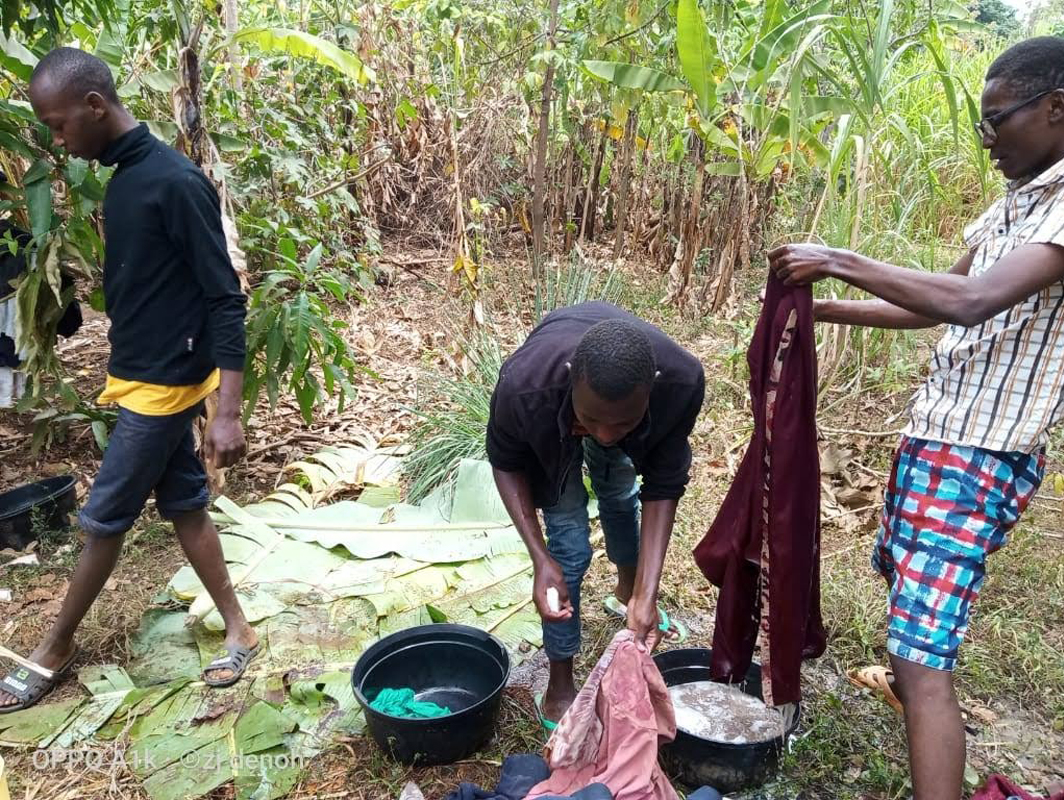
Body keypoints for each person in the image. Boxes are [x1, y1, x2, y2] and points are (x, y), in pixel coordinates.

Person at [768, 37, 1064, 800]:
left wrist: (836, 257)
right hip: (937, 440)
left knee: (922, 660)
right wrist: (815, 310)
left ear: (1056, 108)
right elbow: (936, 303)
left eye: (997, 121)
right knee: (909, 613)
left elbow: (972, 301)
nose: (987, 139)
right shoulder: (1016, 203)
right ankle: (912, 695)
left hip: (980, 456)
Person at [0, 48, 258, 712]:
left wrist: (226, 411)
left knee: (103, 519)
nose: (57, 140)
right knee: (185, 507)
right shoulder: (124, 178)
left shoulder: (174, 181)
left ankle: (53, 649)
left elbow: (225, 297)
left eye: (58, 125)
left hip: (165, 386)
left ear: (94, 106)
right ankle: (239, 627)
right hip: (141, 373)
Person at [487, 301, 705, 726]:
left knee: (619, 495)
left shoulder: (680, 383)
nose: (604, 436)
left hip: (611, 401)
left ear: (652, 389)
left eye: (621, 424)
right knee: (567, 547)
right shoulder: (524, 388)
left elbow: (663, 486)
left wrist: (648, 593)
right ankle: (561, 680)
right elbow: (505, 461)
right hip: (555, 416)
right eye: (592, 420)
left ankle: (627, 594)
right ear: (571, 380)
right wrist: (539, 558)